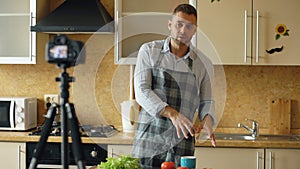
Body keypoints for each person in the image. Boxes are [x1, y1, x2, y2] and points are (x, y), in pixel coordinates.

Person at [132, 4, 216, 168]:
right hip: (149, 138)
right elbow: (141, 91)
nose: (183, 30)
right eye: (179, 24)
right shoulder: (149, 51)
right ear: (170, 25)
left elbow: (208, 100)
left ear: (195, 30)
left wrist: (207, 118)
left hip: (182, 141)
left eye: (189, 26)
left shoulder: (204, 63)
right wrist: (172, 114)